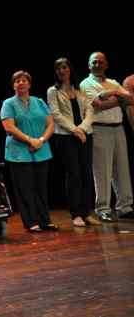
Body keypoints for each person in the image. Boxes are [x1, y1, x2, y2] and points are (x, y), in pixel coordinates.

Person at [79, 52, 134, 221]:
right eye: (94, 62)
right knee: (102, 170)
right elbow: (98, 105)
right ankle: (103, 208)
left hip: (118, 128)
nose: (97, 64)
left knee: (122, 168)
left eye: (100, 62)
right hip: (100, 128)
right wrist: (118, 98)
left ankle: (125, 207)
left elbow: (131, 98)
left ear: (106, 65)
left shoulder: (113, 82)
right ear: (89, 65)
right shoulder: (85, 84)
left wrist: (108, 93)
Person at [46, 58, 100, 227]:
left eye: (64, 67)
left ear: (70, 69)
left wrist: (82, 129)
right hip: (65, 137)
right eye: (58, 69)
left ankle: (86, 212)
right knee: (74, 174)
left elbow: (90, 110)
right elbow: (56, 114)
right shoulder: (53, 91)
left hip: (84, 134)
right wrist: (75, 130)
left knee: (86, 173)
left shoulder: (80, 89)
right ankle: (76, 214)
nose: (62, 71)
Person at [1, 70, 57, 232]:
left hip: (41, 150)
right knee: (25, 189)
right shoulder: (8, 103)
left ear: (29, 84)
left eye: (24, 80)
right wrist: (30, 140)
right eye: (17, 81)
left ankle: (45, 220)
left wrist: (41, 140)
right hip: (19, 152)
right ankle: (31, 222)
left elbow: (50, 124)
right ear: (13, 85)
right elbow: (9, 127)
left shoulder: (39, 102)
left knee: (41, 188)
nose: (21, 83)